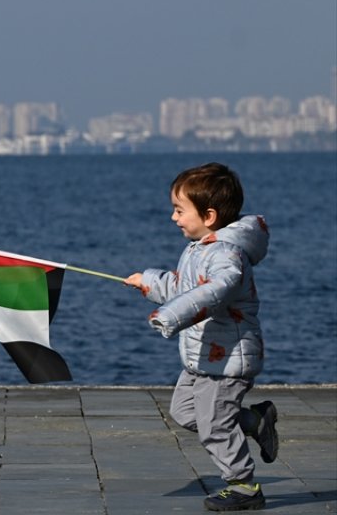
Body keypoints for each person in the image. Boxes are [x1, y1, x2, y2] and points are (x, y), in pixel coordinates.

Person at [125, 162, 278, 512]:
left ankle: (243, 485)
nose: (173, 217)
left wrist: (170, 315)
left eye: (180, 210)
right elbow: (184, 287)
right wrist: (148, 282)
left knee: (214, 426)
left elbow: (215, 291)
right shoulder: (200, 248)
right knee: (184, 412)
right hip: (202, 355)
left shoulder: (227, 254)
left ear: (209, 215)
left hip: (228, 360)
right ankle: (254, 421)